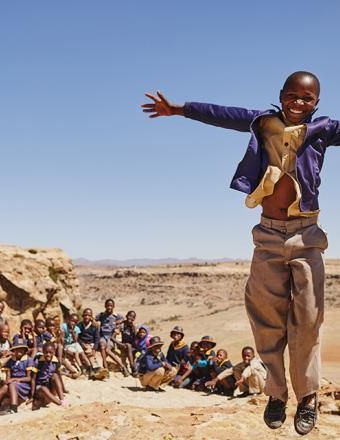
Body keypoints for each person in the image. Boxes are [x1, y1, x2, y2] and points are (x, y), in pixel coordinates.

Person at [142, 71, 337, 435]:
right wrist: (178, 110)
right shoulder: (262, 123)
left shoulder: (325, 129)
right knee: (266, 320)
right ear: (281, 96)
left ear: (316, 104)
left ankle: (307, 396)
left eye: (306, 99)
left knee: (308, 320)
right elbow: (221, 113)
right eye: (292, 95)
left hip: (307, 234)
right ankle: (276, 394)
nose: (298, 102)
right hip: (267, 235)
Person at [0, 338, 34, 417]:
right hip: (13, 385)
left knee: (12, 384)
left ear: (25, 350)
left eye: (21, 349)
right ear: (14, 350)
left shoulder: (28, 360)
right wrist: (6, 381)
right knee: (5, 387)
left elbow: (29, 378)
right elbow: (8, 376)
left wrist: (15, 379)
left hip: (24, 385)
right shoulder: (11, 361)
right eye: (17, 349)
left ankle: (14, 408)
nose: (19, 352)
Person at [96, 299, 129, 376]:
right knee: (102, 346)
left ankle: (122, 366)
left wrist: (119, 322)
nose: (109, 307)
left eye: (111, 306)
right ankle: (105, 367)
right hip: (103, 336)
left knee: (108, 350)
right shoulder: (101, 315)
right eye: (107, 305)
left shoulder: (116, 316)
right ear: (105, 306)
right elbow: (95, 319)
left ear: (113, 306)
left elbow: (124, 319)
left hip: (111, 337)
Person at [31, 342, 64, 409]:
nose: (48, 354)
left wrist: (64, 389)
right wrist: (32, 396)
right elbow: (33, 379)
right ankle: (59, 403)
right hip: (40, 388)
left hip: (50, 386)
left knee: (55, 375)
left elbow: (59, 376)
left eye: (50, 352)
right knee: (43, 388)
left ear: (54, 352)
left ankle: (62, 399)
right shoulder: (38, 361)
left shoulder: (55, 361)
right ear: (43, 352)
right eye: (46, 352)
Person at [77, 308, 107, 380]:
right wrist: (82, 344)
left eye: (89, 315)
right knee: (89, 352)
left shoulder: (94, 326)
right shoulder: (79, 325)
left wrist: (94, 348)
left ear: (91, 317)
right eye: (85, 315)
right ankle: (96, 369)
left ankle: (100, 368)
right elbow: (77, 337)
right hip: (84, 344)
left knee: (97, 355)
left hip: (92, 344)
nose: (87, 317)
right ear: (83, 316)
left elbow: (97, 338)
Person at [112, 310, 138, 377]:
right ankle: (132, 367)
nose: (131, 318)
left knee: (136, 351)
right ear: (126, 316)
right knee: (128, 346)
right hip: (122, 344)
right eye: (130, 316)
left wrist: (133, 328)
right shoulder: (122, 325)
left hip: (130, 346)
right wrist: (119, 344)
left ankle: (132, 368)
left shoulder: (133, 327)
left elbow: (136, 338)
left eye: (133, 317)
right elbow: (112, 337)